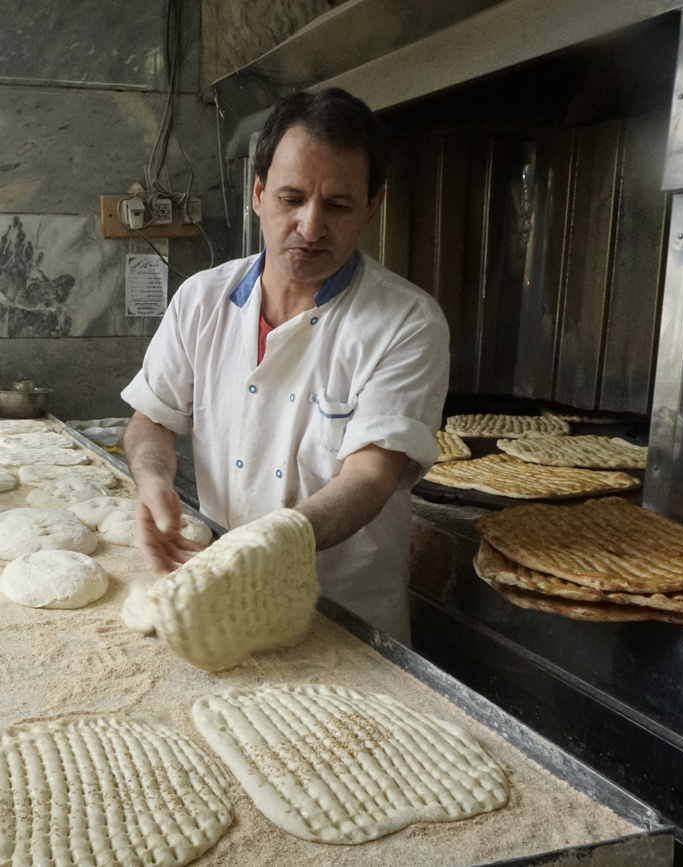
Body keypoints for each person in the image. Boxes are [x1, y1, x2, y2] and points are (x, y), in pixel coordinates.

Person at [121, 88, 450, 642]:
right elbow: (151, 419)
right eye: (291, 198)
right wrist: (153, 479)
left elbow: (371, 476)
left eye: (338, 205)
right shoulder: (202, 301)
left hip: (343, 624)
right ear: (258, 193)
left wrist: (269, 542)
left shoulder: (405, 323)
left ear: (374, 205)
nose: (311, 226)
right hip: (220, 606)